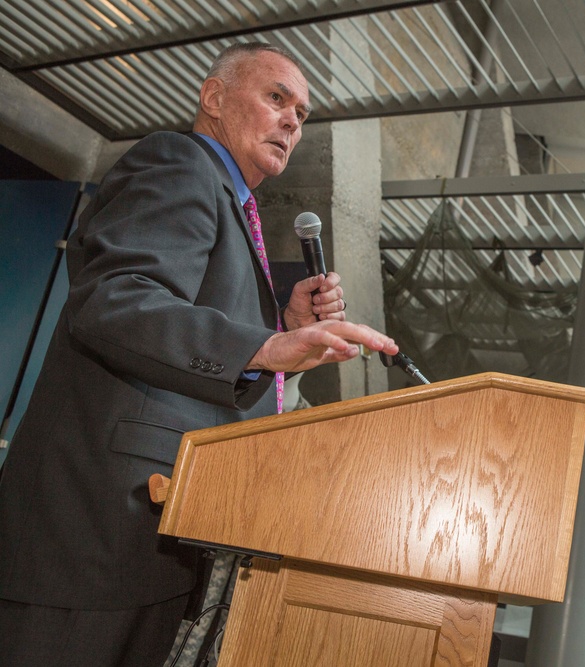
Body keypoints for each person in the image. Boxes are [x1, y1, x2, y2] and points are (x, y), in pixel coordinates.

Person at [0, 42, 398, 666]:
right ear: (214, 98)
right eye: (277, 98)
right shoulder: (179, 163)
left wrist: (280, 334)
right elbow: (117, 300)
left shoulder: (233, 205)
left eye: (303, 113)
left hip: (148, 541)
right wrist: (264, 344)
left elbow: (201, 359)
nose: (294, 120)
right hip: (93, 537)